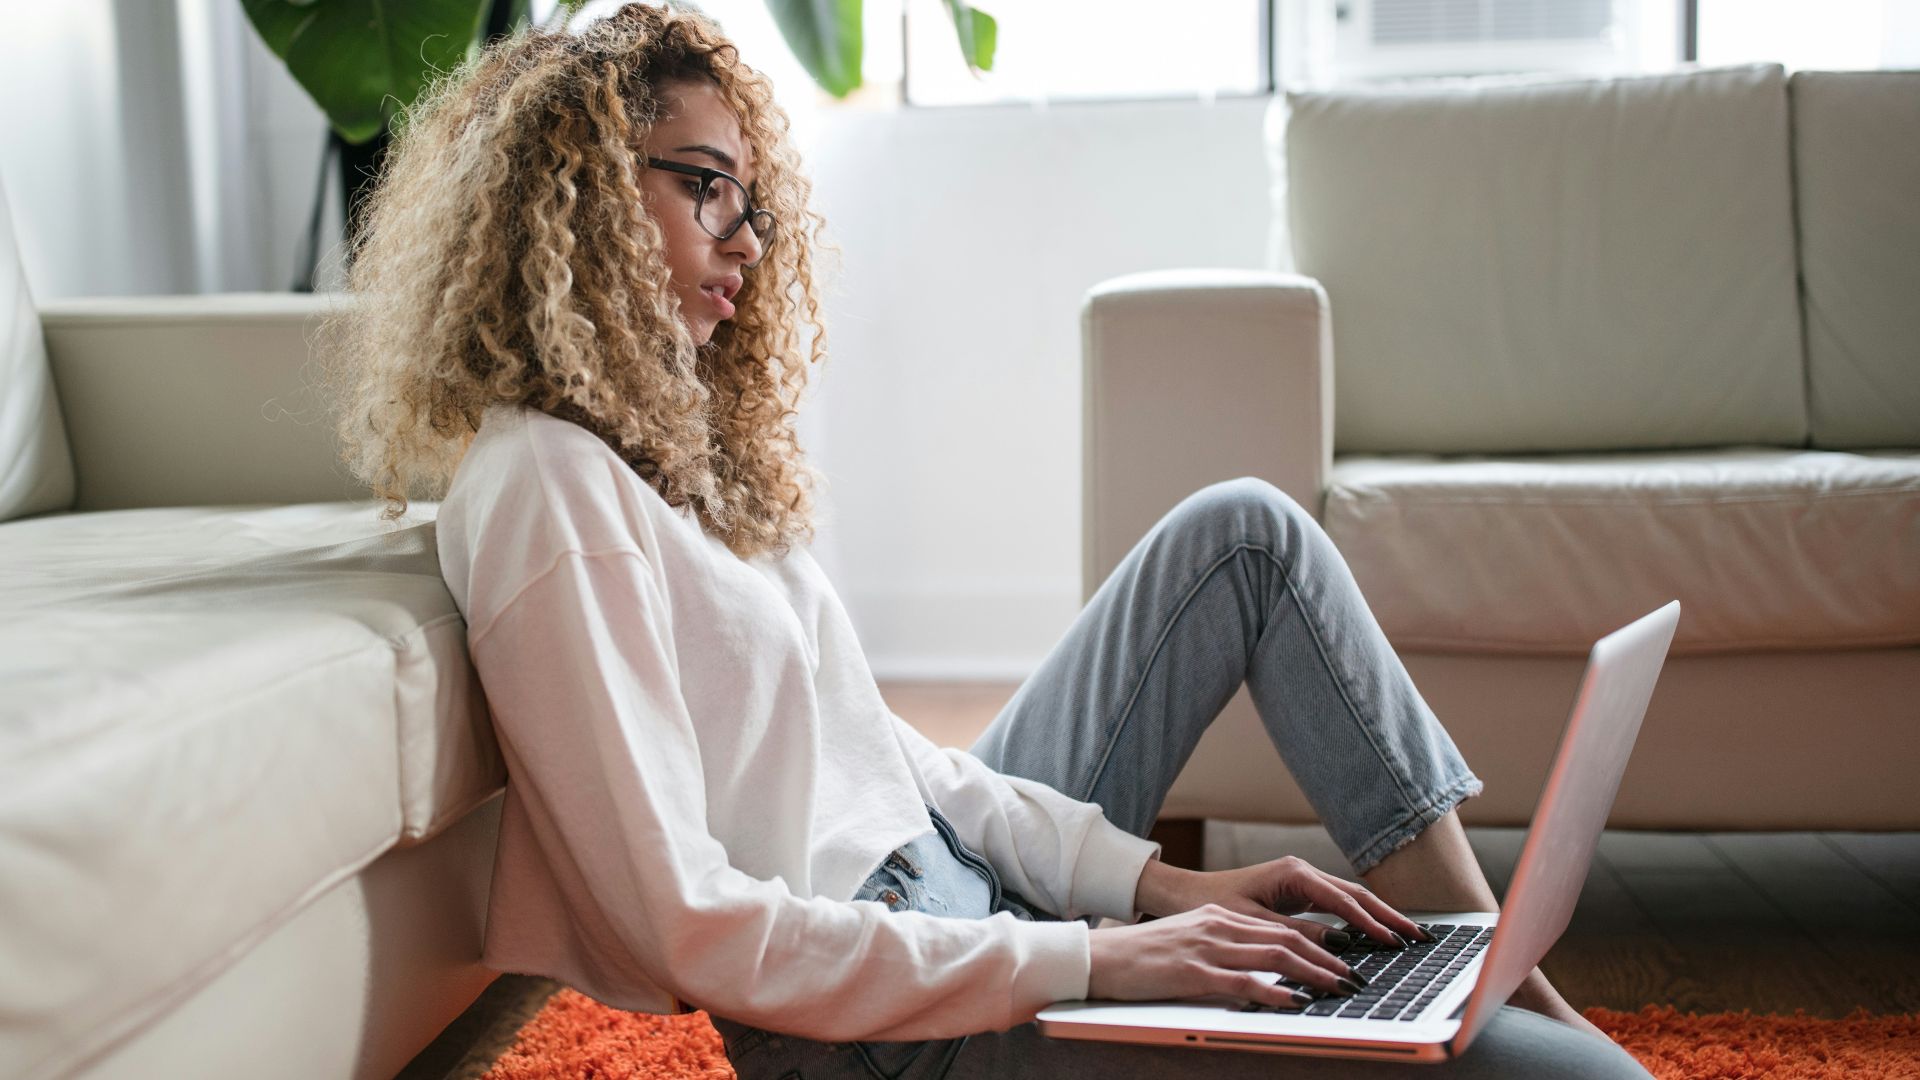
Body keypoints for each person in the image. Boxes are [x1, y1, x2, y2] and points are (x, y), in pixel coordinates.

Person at [315, 4, 1652, 1077]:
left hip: (968, 909)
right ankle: (1496, 1011)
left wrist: (1148, 888)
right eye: (707, 187)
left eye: (754, 201)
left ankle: (1486, 970)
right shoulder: (547, 487)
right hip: (887, 1032)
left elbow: (892, 762)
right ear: (585, 195)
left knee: (1246, 535)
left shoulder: (677, 464)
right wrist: (1093, 961)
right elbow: (687, 923)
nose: (747, 238)